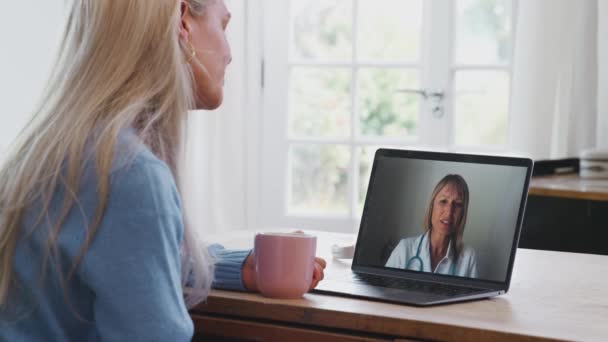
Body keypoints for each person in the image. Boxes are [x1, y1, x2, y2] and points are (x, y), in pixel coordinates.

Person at [0, 1, 326, 340]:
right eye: (223, 26)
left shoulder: (60, 151)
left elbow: (131, 264)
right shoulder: (129, 174)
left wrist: (243, 267)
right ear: (183, 21)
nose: (229, 54)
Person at [385, 174, 478, 278]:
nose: (449, 212)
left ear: (463, 214)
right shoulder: (404, 249)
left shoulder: (468, 257)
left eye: (457, 204)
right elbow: (383, 291)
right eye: (443, 201)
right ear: (432, 206)